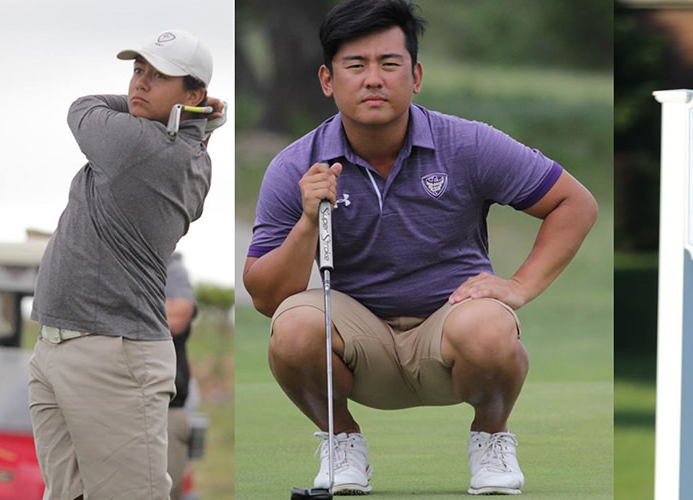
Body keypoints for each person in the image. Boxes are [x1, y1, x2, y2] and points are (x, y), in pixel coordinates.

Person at [243, 0, 598, 495]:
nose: (373, 79)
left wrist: (519, 286)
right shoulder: (296, 165)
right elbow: (265, 297)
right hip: (356, 344)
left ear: (416, 76)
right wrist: (307, 222)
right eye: (356, 66)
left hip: (451, 331)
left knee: (491, 325)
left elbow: (573, 203)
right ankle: (341, 442)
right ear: (327, 80)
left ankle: (491, 439)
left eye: (389, 64)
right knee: (294, 325)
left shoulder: (468, 144)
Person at [27, 29, 227, 499]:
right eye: (138, 70)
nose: (140, 83)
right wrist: (190, 115)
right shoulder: (190, 152)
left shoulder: (141, 146)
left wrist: (189, 115)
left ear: (194, 94)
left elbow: (82, 107)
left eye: (160, 76)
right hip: (60, 345)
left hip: (114, 355)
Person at [165, 252, 200, 500]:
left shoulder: (170, 265)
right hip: (112, 406)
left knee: (164, 491)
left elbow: (178, 314)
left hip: (164, 409)